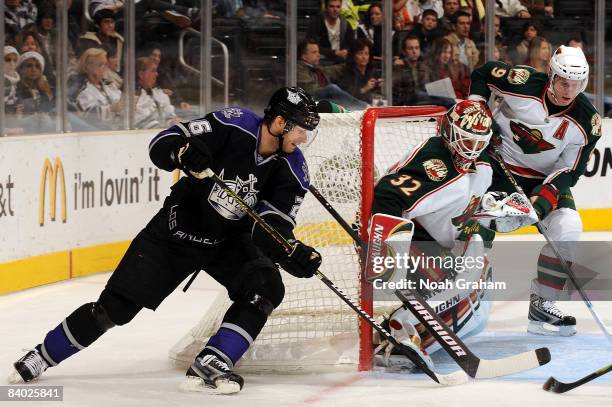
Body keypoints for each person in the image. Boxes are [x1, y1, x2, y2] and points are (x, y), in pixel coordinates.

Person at [8, 86, 323, 394]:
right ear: (280, 123)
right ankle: (42, 355)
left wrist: (288, 251)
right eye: (300, 130)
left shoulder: (293, 169)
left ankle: (213, 360)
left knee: (266, 286)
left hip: (228, 241)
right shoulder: (233, 124)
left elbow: (270, 226)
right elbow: (163, 142)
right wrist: (182, 152)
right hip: (178, 231)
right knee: (114, 310)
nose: (303, 139)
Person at [370, 100, 524, 361]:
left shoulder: (480, 164)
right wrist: (388, 257)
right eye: (466, 141)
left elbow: (471, 212)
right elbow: (386, 197)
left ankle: (407, 326)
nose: (472, 150)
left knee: (479, 310)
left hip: (435, 241)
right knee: (461, 292)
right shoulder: (439, 167)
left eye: (478, 142)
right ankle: (401, 332)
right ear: (449, 132)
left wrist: (489, 219)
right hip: (410, 240)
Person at [469, 46, 601, 336]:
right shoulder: (522, 82)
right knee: (476, 231)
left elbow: (570, 171)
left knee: (568, 226)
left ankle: (543, 303)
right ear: (551, 76)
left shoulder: (587, 123)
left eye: (576, 84)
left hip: (542, 180)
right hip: (498, 166)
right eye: (564, 82)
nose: (569, 90)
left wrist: (541, 202)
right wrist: (478, 110)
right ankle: (463, 299)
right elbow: (483, 74)